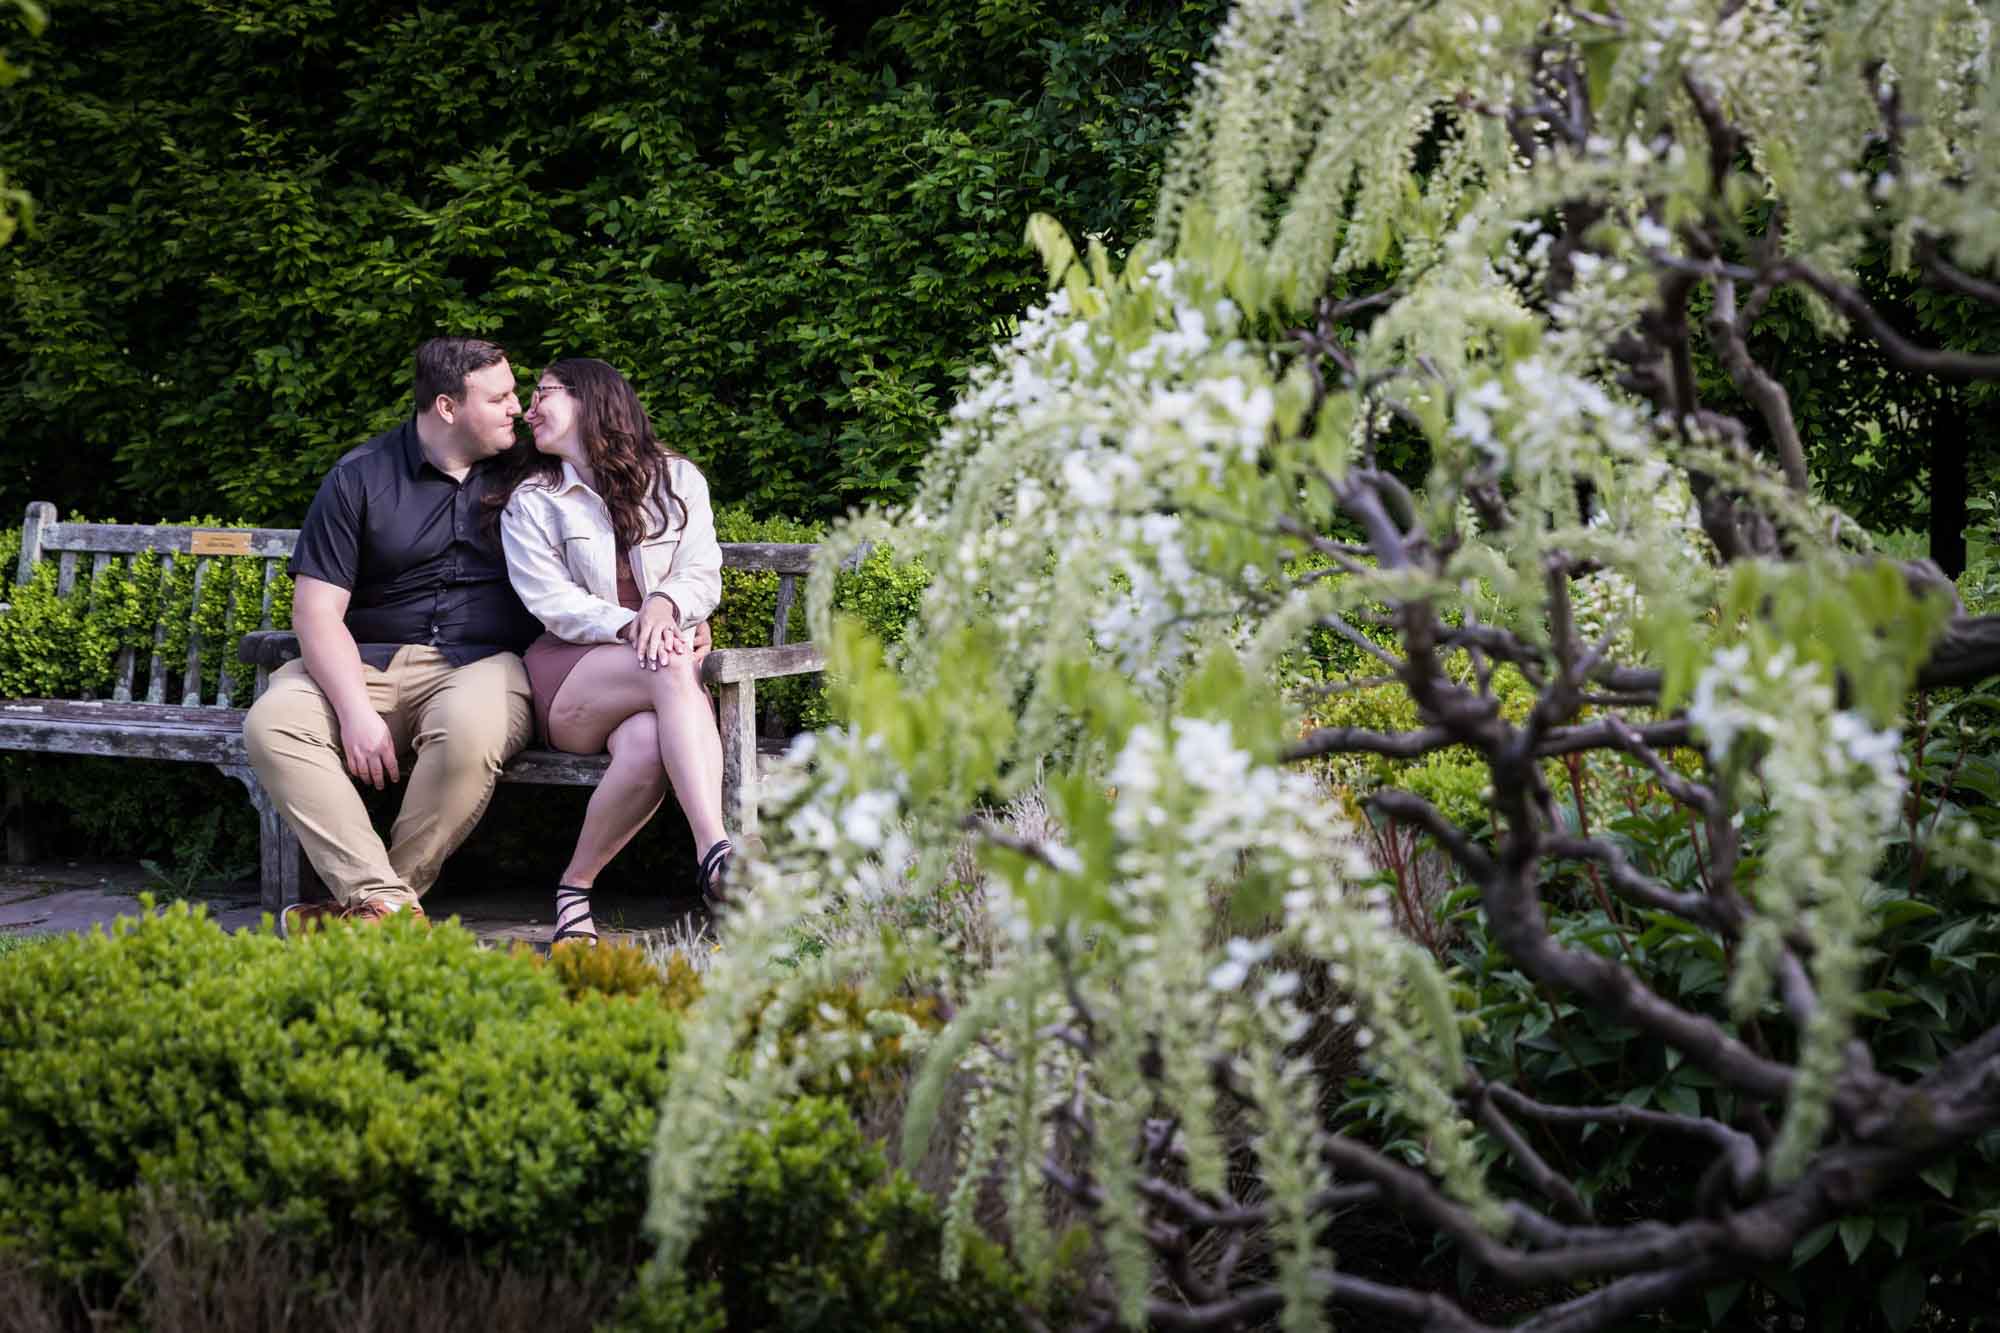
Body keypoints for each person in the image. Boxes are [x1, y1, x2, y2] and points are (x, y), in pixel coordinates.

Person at [244, 337, 544, 932]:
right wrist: (354, 710)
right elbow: (317, 612)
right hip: (368, 662)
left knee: (468, 728)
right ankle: (388, 906)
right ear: (447, 407)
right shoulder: (360, 477)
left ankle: (376, 907)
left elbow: (630, 496)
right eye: (500, 397)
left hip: (481, 665)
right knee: (273, 723)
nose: (518, 407)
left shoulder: (533, 471)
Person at [488, 357, 732, 944]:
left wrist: (666, 606)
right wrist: (638, 625)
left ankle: (574, 890)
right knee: (669, 658)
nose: (529, 410)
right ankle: (717, 851)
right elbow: (553, 604)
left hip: (657, 681)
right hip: (571, 680)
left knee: (648, 742)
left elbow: (702, 571)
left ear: (591, 399)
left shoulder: (678, 481)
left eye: (543, 393)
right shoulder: (533, 501)